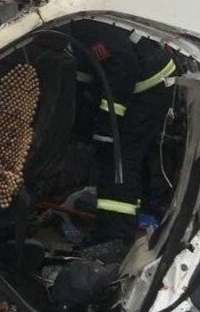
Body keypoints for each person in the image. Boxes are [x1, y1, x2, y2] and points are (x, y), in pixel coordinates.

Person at [71, 19, 176, 245]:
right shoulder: (77, 25)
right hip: (143, 83)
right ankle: (136, 216)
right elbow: (88, 74)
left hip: (148, 88)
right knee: (130, 157)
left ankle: (115, 236)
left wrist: (107, 124)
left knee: (119, 159)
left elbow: (123, 68)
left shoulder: (87, 25)